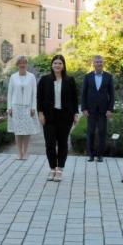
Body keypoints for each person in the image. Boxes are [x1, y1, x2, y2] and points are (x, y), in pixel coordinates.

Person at [37, 54, 79, 182]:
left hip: (65, 117)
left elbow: (74, 99)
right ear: (52, 65)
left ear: (63, 65)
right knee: (49, 144)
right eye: (55, 63)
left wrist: (76, 114)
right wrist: (40, 113)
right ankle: (52, 168)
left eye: (60, 63)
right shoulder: (44, 80)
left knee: (62, 143)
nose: (57, 65)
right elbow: (39, 98)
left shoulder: (69, 80)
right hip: (49, 116)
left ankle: (60, 169)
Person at [81, 55, 115, 162]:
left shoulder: (108, 76)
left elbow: (112, 95)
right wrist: (84, 108)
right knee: (90, 132)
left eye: (100, 62)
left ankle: (100, 155)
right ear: (93, 63)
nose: (99, 63)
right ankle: (91, 155)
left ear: (103, 63)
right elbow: (83, 94)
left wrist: (110, 109)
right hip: (90, 110)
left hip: (103, 110)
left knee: (102, 132)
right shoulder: (87, 77)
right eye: (97, 62)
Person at [7, 56, 39, 160]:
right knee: (17, 131)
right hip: (15, 107)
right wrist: (9, 107)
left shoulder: (31, 77)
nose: (22, 64)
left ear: (27, 64)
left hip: (28, 107)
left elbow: (34, 93)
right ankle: (19, 153)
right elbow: (9, 93)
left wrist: (33, 107)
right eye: (20, 63)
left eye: (24, 63)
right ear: (17, 64)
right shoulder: (13, 77)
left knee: (26, 131)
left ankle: (25, 152)